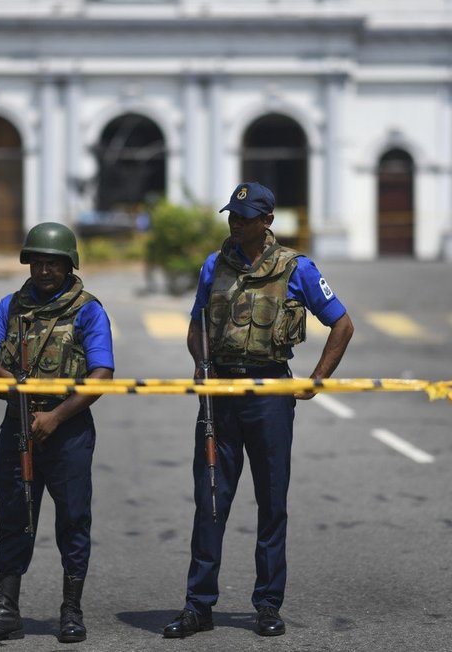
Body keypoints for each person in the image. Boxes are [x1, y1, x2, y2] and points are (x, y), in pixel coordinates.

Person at [163, 182, 354, 639]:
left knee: (271, 503)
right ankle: (198, 605)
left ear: (267, 221)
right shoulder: (215, 264)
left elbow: (342, 324)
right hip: (221, 393)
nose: (237, 222)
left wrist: (316, 379)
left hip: (269, 392)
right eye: (233, 214)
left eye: (246, 216)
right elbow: (197, 325)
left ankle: (267, 604)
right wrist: (199, 364)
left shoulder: (296, 268)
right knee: (210, 501)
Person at [0, 222, 114, 645]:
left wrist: (56, 417)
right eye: (38, 262)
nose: (44, 270)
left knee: (73, 520)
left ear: (69, 265)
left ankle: (71, 611)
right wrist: (19, 390)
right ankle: (5, 611)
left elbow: (101, 374)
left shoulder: (88, 310)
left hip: (68, 430)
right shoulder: (10, 305)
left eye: (54, 263)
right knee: (15, 519)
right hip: (18, 426)